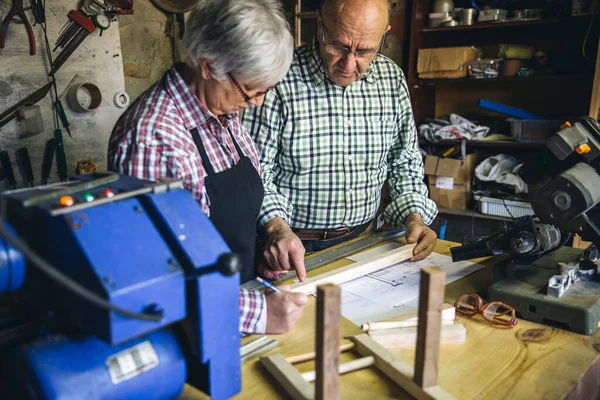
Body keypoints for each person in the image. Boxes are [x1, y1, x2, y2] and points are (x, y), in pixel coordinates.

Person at [107, 0, 307, 335]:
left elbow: (220, 227)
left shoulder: (224, 112)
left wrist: (262, 248)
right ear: (207, 65)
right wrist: (258, 313)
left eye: (265, 89)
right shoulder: (151, 137)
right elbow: (153, 275)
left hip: (236, 305)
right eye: (251, 89)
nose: (258, 101)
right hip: (187, 334)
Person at [243, 0, 438, 281]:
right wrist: (276, 228)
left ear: (384, 34)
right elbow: (255, 172)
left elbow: (403, 161)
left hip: (367, 239)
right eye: (338, 46)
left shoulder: (391, 79)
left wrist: (414, 217)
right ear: (320, 25)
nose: (349, 64)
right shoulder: (279, 78)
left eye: (365, 51)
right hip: (294, 247)